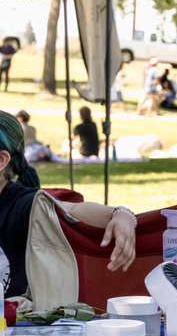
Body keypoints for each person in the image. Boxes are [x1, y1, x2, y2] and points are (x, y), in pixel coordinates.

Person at [0, 111, 136, 299]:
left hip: (15, 323)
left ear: (2, 160)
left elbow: (71, 209)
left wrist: (121, 215)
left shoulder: (25, 204)